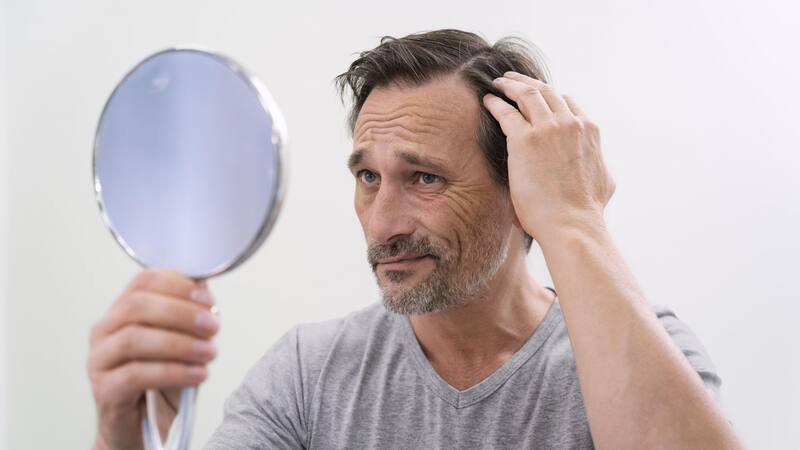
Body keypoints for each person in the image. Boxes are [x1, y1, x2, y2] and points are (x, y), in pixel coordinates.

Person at [87, 29, 743, 449]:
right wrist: (121, 432)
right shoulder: (309, 375)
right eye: (368, 177)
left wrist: (574, 217)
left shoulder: (643, 351)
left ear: (521, 189)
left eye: (424, 178)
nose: (381, 225)